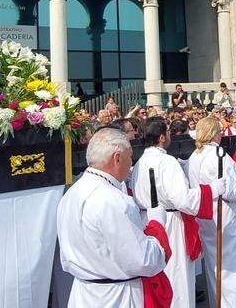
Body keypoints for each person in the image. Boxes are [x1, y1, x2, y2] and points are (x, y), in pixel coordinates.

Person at [56, 128, 171, 307]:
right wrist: (157, 225)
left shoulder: (71, 194)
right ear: (117, 158)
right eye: (130, 157)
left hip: (84, 293)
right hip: (117, 297)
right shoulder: (114, 201)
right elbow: (142, 261)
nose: (131, 163)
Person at [130, 117, 225, 308]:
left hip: (146, 221)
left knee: (159, 276)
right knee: (177, 277)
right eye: (167, 131)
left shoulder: (140, 162)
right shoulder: (166, 161)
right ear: (162, 137)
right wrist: (212, 189)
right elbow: (183, 199)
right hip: (169, 222)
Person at [187, 116, 236, 308]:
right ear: (213, 134)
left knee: (214, 265)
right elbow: (231, 190)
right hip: (225, 215)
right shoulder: (218, 154)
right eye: (218, 131)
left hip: (207, 216)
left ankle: (220, 303)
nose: (220, 134)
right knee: (232, 267)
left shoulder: (194, 156)